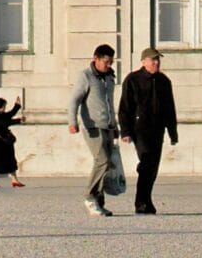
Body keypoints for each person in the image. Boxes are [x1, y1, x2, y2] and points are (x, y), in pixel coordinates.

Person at [120, 47, 180, 215]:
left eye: (157, 60)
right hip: (140, 129)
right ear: (143, 61)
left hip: (157, 129)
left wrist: (172, 132)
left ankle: (147, 199)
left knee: (153, 167)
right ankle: (141, 202)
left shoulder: (163, 81)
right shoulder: (132, 80)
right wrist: (125, 131)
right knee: (147, 163)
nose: (156, 63)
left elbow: (170, 108)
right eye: (153, 60)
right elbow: (125, 107)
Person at [65, 44, 120, 217]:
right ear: (95, 58)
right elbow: (74, 100)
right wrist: (72, 121)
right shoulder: (86, 76)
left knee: (107, 164)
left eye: (111, 62)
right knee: (102, 160)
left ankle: (99, 201)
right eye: (106, 61)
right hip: (92, 126)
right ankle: (89, 196)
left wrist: (115, 126)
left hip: (108, 126)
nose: (109, 65)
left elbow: (110, 103)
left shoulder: (110, 77)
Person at [0, 95, 23, 189]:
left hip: (6, 141)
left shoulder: (1, 114)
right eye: (4, 106)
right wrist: (18, 121)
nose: (4, 108)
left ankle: (14, 180)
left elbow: (10, 114)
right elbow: (5, 122)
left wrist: (17, 105)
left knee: (11, 159)